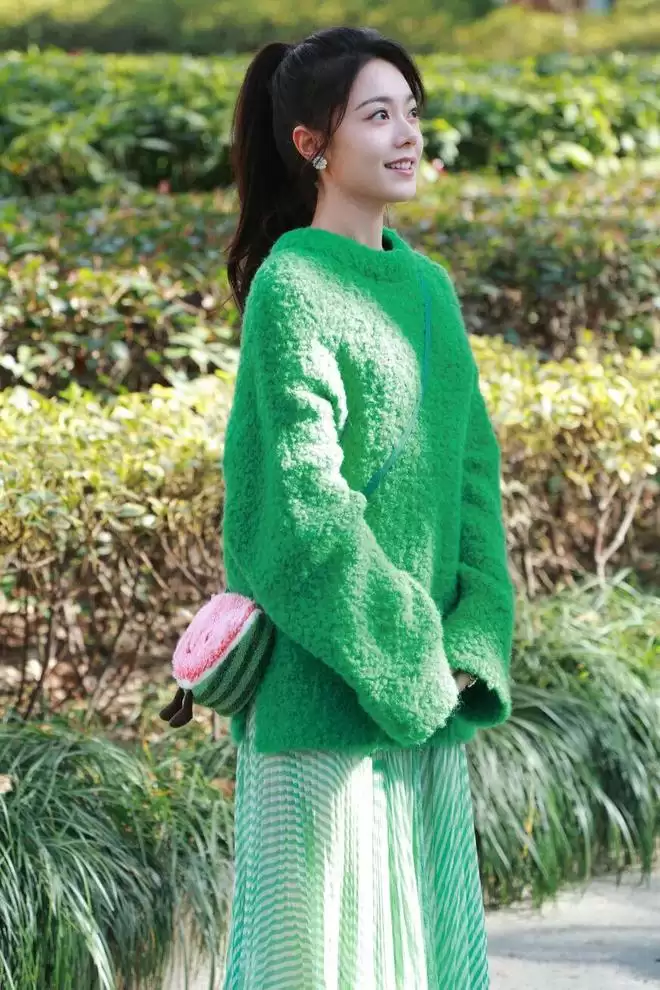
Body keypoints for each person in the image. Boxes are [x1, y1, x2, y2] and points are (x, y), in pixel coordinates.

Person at [220, 25, 516, 990]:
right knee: (316, 967)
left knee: (417, 961)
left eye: (412, 113)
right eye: (378, 115)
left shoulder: (429, 288)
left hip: (426, 699)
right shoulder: (292, 283)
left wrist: (470, 640)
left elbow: (472, 476)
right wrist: (409, 656)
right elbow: (302, 510)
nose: (408, 135)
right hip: (322, 701)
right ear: (313, 144)